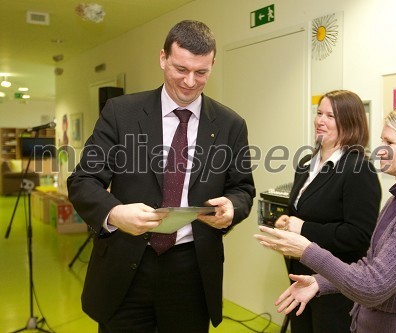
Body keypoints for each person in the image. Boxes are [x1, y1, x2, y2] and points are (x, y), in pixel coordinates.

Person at [67, 20, 255, 333]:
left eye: (202, 72)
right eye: (181, 69)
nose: (191, 82)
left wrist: (233, 208)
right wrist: (115, 213)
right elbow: (83, 180)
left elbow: (243, 188)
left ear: (212, 65)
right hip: (126, 265)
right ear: (162, 59)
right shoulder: (121, 113)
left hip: (191, 271)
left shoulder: (230, 124)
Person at [255, 102, 396, 333]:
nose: (380, 150)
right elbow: (370, 267)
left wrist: (307, 250)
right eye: (382, 141)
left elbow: (372, 288)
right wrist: (320, 282)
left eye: (389, 143)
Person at [270, 90, 382, 332]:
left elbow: (359, 236)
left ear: (350, 122)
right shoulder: (305, 165)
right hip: (299, 278)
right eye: (319, 113)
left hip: (336, 286)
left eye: (330, 116)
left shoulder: (359, 169)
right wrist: (287, 221)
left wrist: (301, 228)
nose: (320, 120)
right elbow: (301, 211)